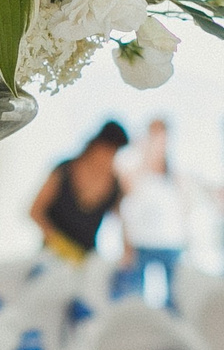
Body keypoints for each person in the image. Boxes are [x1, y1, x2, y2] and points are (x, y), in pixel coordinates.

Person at [31, 121, 129, 263]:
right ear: (96, 145)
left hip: (86, 260)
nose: (109, 157)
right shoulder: (64, 170)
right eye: (108, 150)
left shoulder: (115, 183)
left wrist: (127, 250)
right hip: (51, 257)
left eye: (114, 153)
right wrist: (59, 244)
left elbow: (121, 218)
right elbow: (34, 211)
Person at [117, 118, 190, 308]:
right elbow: (125, 200)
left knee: (174, 302)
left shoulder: (174, 173)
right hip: (141, 244)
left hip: (171, 244)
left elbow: (184, 208)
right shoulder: (133, 167)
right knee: (136, 301)